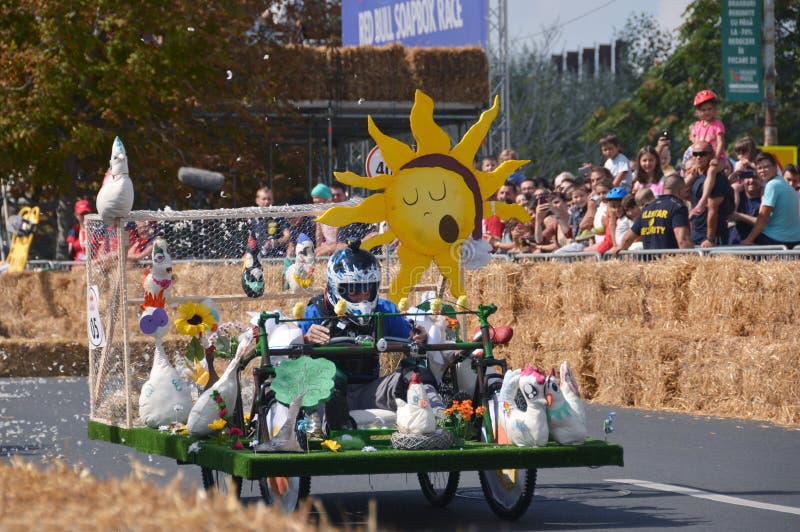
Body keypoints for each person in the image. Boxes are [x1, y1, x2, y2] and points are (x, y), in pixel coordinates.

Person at [299, 240, 434, 430]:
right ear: (336, 287)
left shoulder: (383, 309)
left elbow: (411, 341)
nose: (362, 296)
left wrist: (419, 337)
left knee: (414, 373)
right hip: (328, 396)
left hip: (370, 390)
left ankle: (440, 419)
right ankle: (342, 436)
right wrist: (305, 341)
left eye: (367, 289)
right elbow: (291, 362)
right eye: (353, 290)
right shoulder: (315, 312)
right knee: (332, 376)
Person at [613, 175, 693, 252]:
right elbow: (683, 240)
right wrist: (692, 262)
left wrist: (621, 248)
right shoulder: (678, 207)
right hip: (669, 263)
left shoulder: (647, 208)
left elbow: (627, 238)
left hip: (650, 263)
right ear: (680, 190)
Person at [740, 153, 800, 247]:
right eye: (759, 168)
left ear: (775, 167)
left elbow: (763, 217)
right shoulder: (783, 183)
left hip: (776, 241)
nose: (762, 171)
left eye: (766, 167)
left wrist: (748, 240)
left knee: (741, 234)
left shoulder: (772, 185)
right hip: (794, 241)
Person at [684, 141, 734, 247]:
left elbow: (713, 211)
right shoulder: (695, 175)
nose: (698, 157)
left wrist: (710, 238)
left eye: (703, 154)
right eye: (695, 154)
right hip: (696, 233)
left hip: (713, 236)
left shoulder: (718, 178)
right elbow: (685, 194)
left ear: (711, 155)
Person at [689, 90, 727, 217]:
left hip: (716, 159)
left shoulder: (717, 125)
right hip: (700, 159)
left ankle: (703, 200)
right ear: (698, 112)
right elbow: (694, 145)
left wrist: (716, 158)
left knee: (711, 171)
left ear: (715, 109)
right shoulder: (697, 126)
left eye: (709, 109)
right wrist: (694, 162)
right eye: (703, 110)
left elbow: (721, 143)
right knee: (690, 172)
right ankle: (679, 196)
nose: (707, 112)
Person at [251, 186, 290, 257]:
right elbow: (251, 239)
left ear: (273, 201)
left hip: (277, 257)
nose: (267, 202)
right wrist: (247, 254)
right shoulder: (254, 219)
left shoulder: (278, 217)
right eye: (264, 199)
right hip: (260, 258)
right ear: (257, 200)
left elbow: (287, 235)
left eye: (269, 199)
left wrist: (276, 242)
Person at [727, 168, 762, 244]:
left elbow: (763, 222)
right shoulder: (737, 194)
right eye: (748, 177)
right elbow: (729, 217)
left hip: (756, 246)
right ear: (742, 180)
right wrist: (728, 182)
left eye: (755, 177)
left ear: (761, 180)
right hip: (734, 243)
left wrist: (740, 216)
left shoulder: (765, 199)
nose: (751, 180)